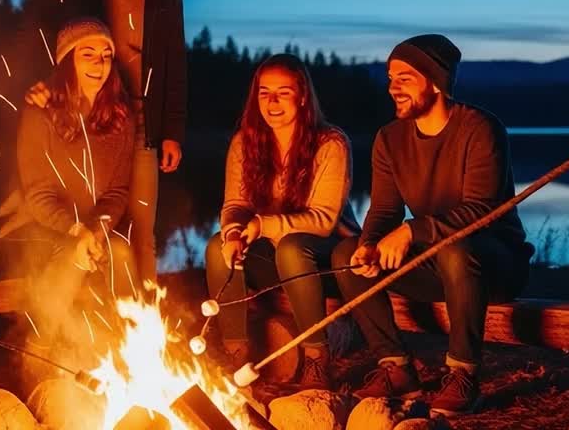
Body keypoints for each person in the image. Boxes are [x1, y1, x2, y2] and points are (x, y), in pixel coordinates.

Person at [334, 34, 532, 414]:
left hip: (494, 265)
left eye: (404, 77)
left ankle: (464, 376)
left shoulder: (480, 128)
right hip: (435, 265)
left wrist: (411, 231)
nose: (393, 87)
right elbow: (385, 209)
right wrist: (370, 243)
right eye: (391, 77)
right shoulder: (389, 139)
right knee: (348, 253)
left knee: (457, 249)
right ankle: (395, 368)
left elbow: (480, 212)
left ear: (437, 81)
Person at [6, 0, 187, 291]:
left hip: (139, 116)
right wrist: (35, 80)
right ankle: (76, 316)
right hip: (82, 108)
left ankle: (144, 322)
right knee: (74, 218)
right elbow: (30, 30)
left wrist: (173, 128)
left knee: (141, 225)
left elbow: (175, 59)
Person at [204, 54, 359, 390]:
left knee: (291, 246)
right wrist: (234, 233)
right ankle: (237, 354)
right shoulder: (245, 142)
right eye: (264, 92)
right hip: (273, 257)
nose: (272, 102)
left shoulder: (331, 144)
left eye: (283, 92)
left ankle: (317, 360)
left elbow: (323, 221)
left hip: (327, 257)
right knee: (218, 246)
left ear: (302, 96)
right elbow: (235, 204)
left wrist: (263, 225)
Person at [0, 18, 138, 382]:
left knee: (121, 254)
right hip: (43, 227)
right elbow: (39, 193)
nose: (99, 65)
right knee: (71, 260)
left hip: (91, 228)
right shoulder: (40, 112)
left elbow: (117, 192)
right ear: (67, 62)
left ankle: (128, 347)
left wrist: (95, 229)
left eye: (105, 55)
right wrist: (77, 231)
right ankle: (38, 352)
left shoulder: (121, 118)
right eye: (87, 55)